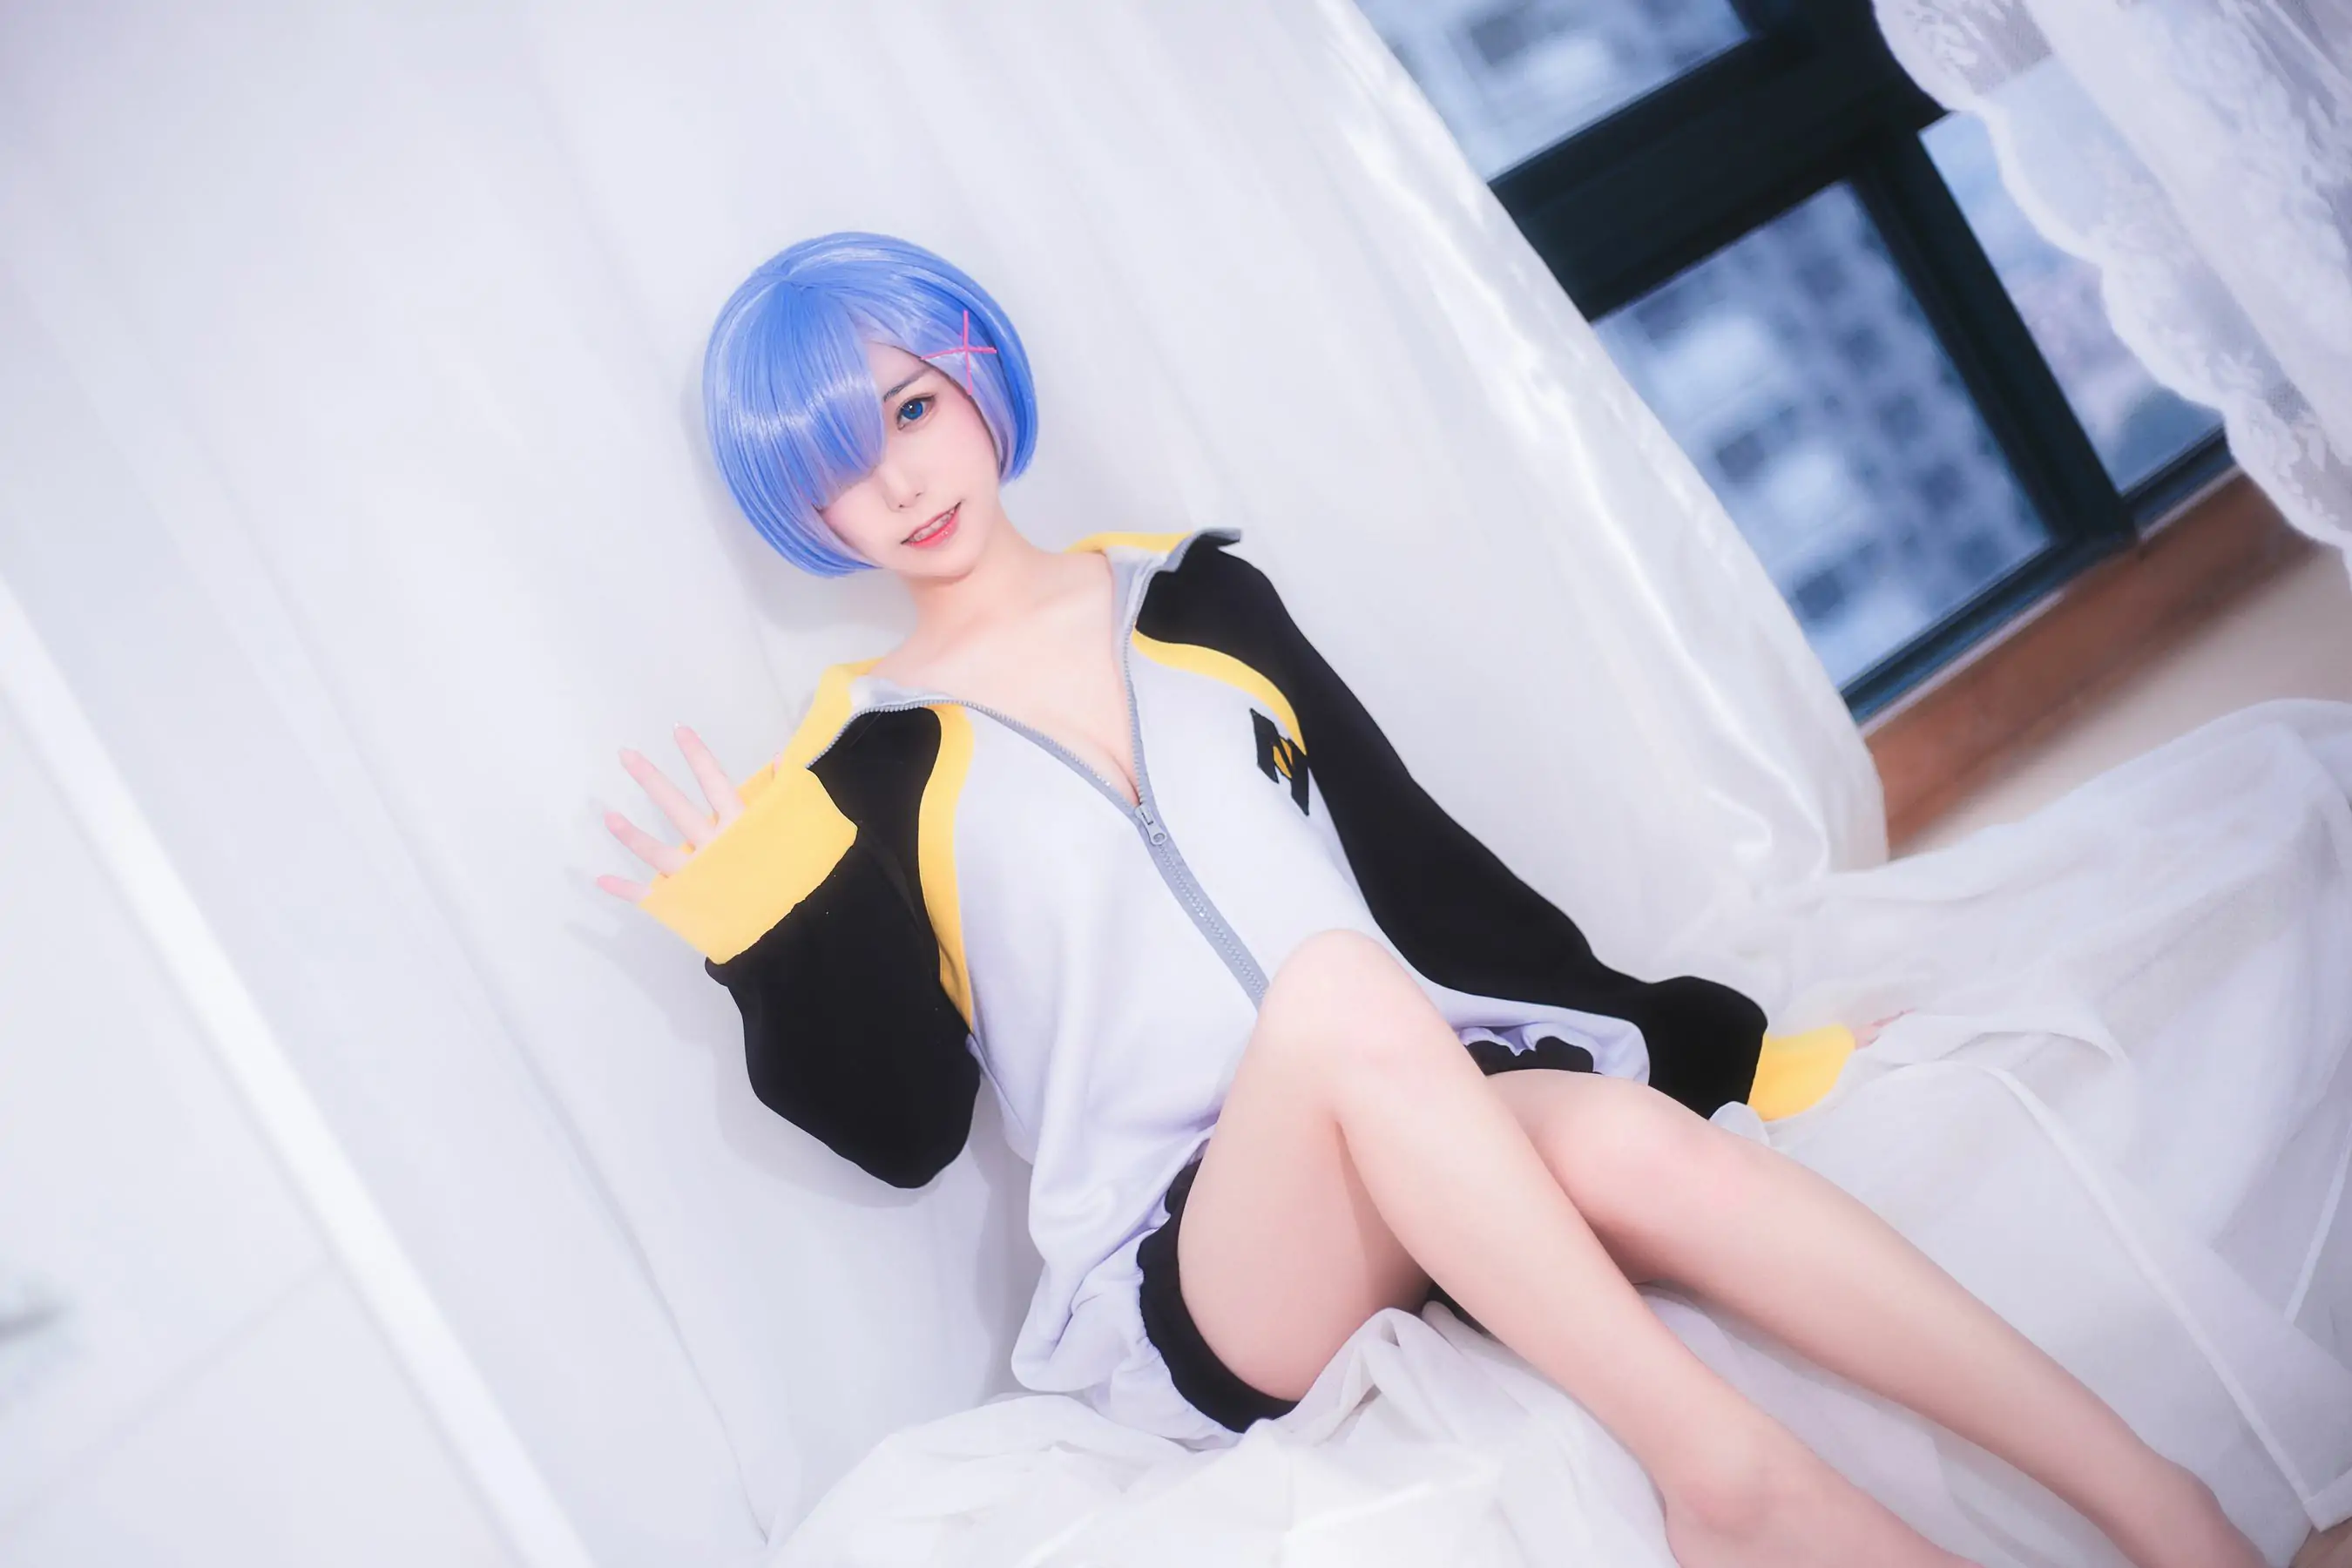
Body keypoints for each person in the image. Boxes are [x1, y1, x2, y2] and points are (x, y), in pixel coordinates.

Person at [592, 231, 2262, 1568]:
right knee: (1333, 996)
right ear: (802, 511)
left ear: (972, 375)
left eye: (906, 410)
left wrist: (1737, 1058)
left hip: (1430, 1115)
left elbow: (1426, 875)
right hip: (1210, 1268)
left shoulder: (1201, 599)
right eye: (836, 466)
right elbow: (901, 1130)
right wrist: (772, 932)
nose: (898, 481)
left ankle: (2168, 1511)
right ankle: (1733, 1481)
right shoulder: (855, 774)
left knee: (1640, 1146)